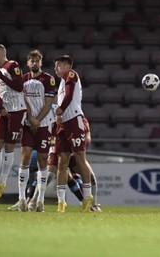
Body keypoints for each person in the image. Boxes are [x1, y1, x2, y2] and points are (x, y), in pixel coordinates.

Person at [53, 55, 93, 213]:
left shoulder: (71, 75)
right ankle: (61, 201)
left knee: (80, 159)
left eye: (58, 65)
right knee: (62, 162)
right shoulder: (62, 83)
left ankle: (87, 197)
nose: (56, 68)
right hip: (63, 125)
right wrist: (58, 116)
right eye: (55, 66)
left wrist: (60, 109)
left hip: (75, 121)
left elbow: (69, 96)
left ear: (67, 66)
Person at [17, 49, 56, 212]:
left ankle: (40, 201)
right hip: (28, 124)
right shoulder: (22, 80)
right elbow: (22, 101)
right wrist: (30, 118)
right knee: (24, 158)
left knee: (42, 160)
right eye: (31, 60)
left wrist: (37, 120)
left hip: (44, 124)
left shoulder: (48, 79)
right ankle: (21, 200)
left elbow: (48, 103)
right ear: (27, 63)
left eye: (37, 60)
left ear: (41, 62)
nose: (34, 63)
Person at [0, 44, 26, 200]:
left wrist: (1, 76)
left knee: (9, 146)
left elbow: (18, 86)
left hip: (17, 110)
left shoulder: (12, 65)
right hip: (3, 111)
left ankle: (2, 182)